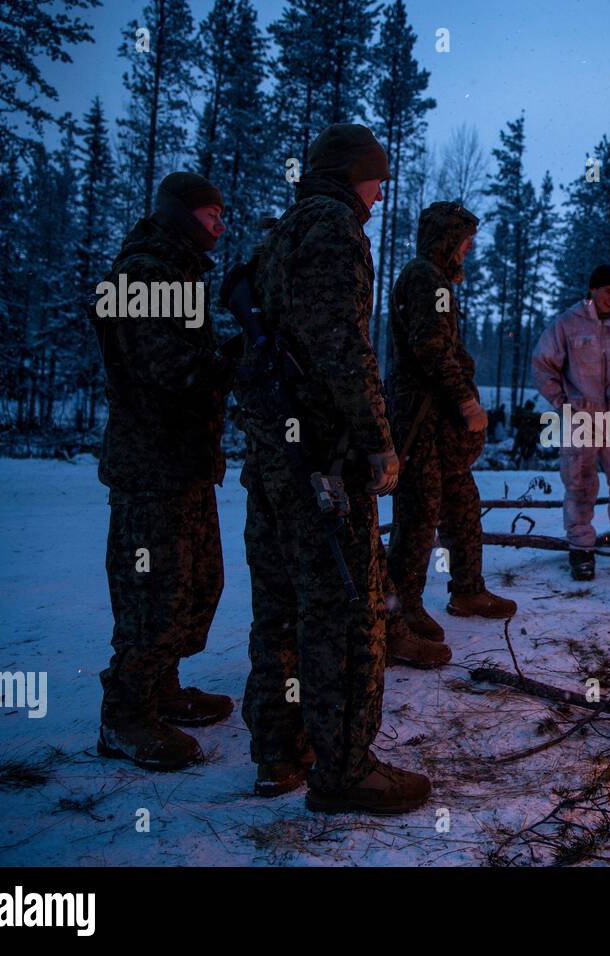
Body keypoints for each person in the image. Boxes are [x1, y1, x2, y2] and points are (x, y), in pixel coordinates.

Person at [235, 123, 434, 812]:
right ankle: (346, 769)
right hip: (324, 461)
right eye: (377, 180)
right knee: (348, 609)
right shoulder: (331, 230)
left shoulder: (282, 233)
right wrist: (380, 439)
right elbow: (340, 348)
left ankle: (279, 751)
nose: (381, 196)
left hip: (275, 459)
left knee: (280, 606)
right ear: (355, 174)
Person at [93, 171, 234, 773]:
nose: (220, 224)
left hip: (182, 462)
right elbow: (165, 367)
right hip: (151, 466)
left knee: (195, 584)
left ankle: (162, 688)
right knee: (153, 591)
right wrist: (236, 359)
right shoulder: (145, 273)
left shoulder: (177, 275)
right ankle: (125, 715)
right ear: (180, 215)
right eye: (210, 214)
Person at [387, 202, 517, 643]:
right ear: (447, 239)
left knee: (461, 502)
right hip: (421, 419)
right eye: (464, 240)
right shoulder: (424, 278)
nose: (469, 248)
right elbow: (431, 350)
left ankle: (467, 590)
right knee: (419, 511)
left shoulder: (435, 280)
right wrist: (465, 401)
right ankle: (400, 608)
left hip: (439, 424)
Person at [532, 264, 610, 581]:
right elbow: (542, 365)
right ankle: (581, 550)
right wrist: (563, 403)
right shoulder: (568, 324)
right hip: (581, 415)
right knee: (580, 484)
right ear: (593, 289)